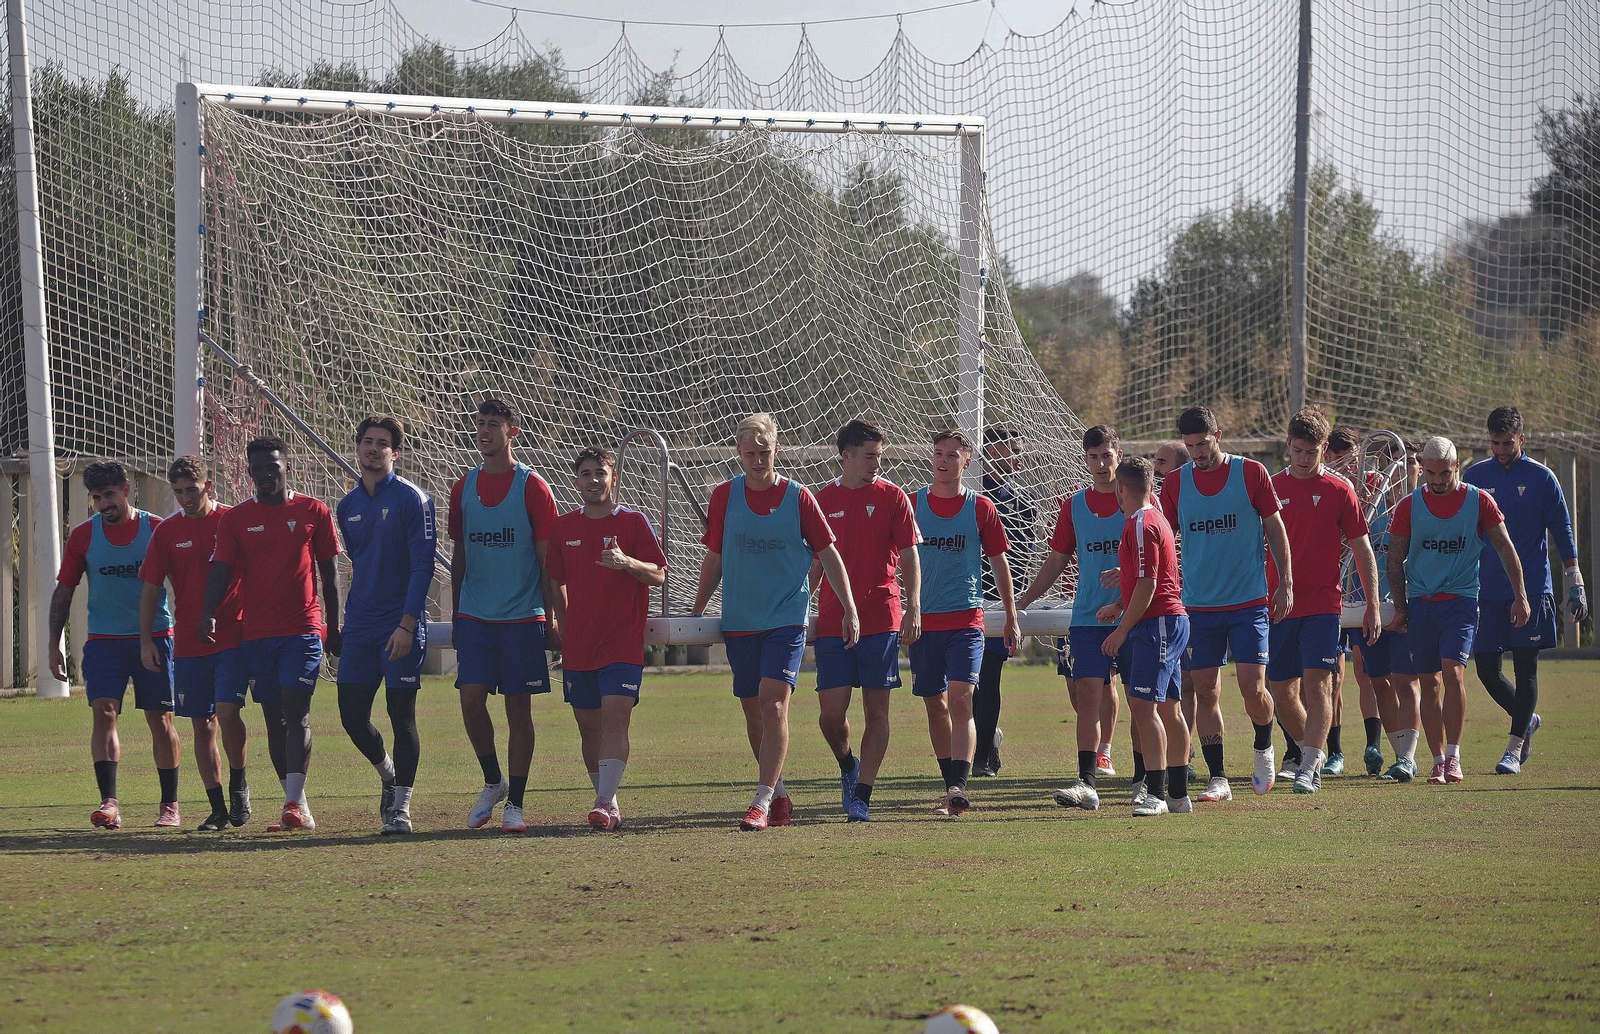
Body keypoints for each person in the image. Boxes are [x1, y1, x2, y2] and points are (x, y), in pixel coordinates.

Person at [692, 413, 858, 831]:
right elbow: (714, 557)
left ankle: (761, 801)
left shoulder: (799, 497)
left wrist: (849, 607)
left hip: (786, 619)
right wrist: (696, 610)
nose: (757, 461)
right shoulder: (723, 496)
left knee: (774, 705)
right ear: (738, 453)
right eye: (749, 454)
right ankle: (779, 791)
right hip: (740, 621)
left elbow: (830, 555)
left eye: (764, 453)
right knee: (754, 713)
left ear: (776, 449)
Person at [202, 437, 342, 832]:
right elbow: (221, 570)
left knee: (296, 711)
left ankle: (293, 802)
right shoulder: (236, 520)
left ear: (287, 466)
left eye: (272, 466)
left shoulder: (314, 510)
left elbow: (330, 576)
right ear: (249, 472)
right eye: (258, 468)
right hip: (256, 634)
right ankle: (296, 802)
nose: (265, 475)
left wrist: (334, 625)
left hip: (302, 629)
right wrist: (207, 614)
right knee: (273, 718)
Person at [1161, 406, 1292, 796]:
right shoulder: (1175, 484)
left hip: (1248, 602)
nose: (1198, 452)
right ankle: (1218, 777)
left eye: (1202, 443)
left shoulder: (1252, 473)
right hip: (1198, 606)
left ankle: (1264, 745)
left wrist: (1285, 581)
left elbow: (1275, 527)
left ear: (1218, 434)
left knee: (1253, 689)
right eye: (1190, 446)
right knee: (1205, 691)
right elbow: (1163, 537)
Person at [1387, 436, 1529, 783]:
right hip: (1422, 603)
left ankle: (1454, 756)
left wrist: (1520, 596)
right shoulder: (1409, 506)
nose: (1436, 481)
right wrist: (1402, 607)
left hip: (1462, 601)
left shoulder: (1479, 502)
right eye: (1430, 473)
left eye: (1444, 474)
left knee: (1453, 673)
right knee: (1429, 682)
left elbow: (1506, 548)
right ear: (1422, 469)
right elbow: (1394, 560)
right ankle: (1436, 760)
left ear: (1456, 468)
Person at [449, 398, 560, 834]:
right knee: (471, 699)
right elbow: (460, 555)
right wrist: (457, 612)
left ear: (512, 432)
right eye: (480, 424)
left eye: (493, 424)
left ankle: (516, 800)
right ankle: (492, 780)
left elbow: (548, 560)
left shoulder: (533, 487)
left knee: (519, 711)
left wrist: (552, 618)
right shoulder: (463, 486)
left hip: (522, 617)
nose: (484, 431)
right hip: (475, 616)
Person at [50, 461, 179, 830]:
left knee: (161, 719)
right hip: (104, 641)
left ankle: (169, 805)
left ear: (126, 489)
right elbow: (64, 592)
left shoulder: (156, 529)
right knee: (104, 712)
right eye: (96, 497)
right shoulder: (83, 536)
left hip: (155, 638)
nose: (103, 503)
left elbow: (185, 581)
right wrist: (52, 644)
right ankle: (109, 803)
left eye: (109, 494)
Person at [547, 446, 666, 831]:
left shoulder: (632, 523)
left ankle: (601, 801)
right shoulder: (563, 528)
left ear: (614, 479)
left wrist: (627, 562)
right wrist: (565, 627)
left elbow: (659, 574)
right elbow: (554, 581)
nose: (594, 480)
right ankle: (610, 804)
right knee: (588, 728)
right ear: (576, 480)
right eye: (586, 473)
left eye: (601, 473)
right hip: (579, 647)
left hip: (622, 645)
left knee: (616, 720)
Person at [1264, 408, 1381, 795]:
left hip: (1323, 604)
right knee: (1281, 690)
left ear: (1323, 449)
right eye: (1297, 450)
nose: (1303, 458)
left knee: (1319, 685)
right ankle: (1306, 751)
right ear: (1288, 447)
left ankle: (1309, 765)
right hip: (1278, 605)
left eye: (1311, 452)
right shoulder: (1270, 488)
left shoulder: (1339, 490)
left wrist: (1374, 605)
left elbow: (1363, 549)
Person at [1464, 406, 1587, 774]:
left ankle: (1513, 748)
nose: (1501, 449)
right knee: (1486, 669)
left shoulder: (1542, 478)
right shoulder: (1475, 476)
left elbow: (1562, 531)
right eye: (1494, 442)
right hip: (1486, 589)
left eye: (1507, 442)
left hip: (1531, 588)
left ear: (1522, 439)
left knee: (1525, 668)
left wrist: (1575, 580)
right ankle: (1527, 718)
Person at [810, 420, 921, 823]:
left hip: (882, 617)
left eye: (880, 454)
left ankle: (862, 795)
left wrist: (913, 606)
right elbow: (815, 561)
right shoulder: (821, 499)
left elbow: (909, 555)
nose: (877, 462)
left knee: (878, 711)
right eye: (870, 455)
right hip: (833, 620)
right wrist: (803, 602)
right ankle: (846, 765)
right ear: (847, 456)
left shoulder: (894, 498)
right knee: (831, 714)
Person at [335, 416, 437, 835]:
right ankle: (387, 773)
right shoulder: (346, 506)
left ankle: (401, 808)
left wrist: (407, 624)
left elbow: (422, 566)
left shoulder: (415, 500)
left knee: (402, 715)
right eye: (367, 442)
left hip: (400, 626)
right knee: (351, 715)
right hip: (360, 627)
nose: (373, 449)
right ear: (358, 448)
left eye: (382, 443)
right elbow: (360, 564)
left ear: (396, 452)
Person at [910, 430, 1020, 816]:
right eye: (938, 453)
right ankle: (949, 783)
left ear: (967, 461)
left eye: (952, 455)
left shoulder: (981, 508)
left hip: (966, 621)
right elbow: (894, 560)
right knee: (934, 704)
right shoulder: (911, 505)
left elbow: (999, 562)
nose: (943, 460)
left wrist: (1010, 615)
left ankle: (959, 786)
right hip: (923, 625)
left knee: (961, 699)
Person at [1017, 425, 1126, 812]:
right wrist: (1025, 599)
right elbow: (1057, 558)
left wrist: (1129, 586)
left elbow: (1159, 555)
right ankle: (1087, 780)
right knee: (1086, 694)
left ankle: (1149, 780)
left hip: (1135, 617)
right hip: (1086, 617)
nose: (1100, 463)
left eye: (1106, 455)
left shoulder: (1139, 501)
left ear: (1118, 454)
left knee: (1145, 702)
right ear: (1085, 460)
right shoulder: (1074, 505)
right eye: (1093, 457)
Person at [139, 456, 248, 830]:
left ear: (209, 486)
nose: (185, 497)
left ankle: (239, 783)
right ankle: (217, 808)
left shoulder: (231, 522)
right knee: (203, 726)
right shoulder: (167, 532)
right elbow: (151, 588)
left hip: (231, 637)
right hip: (187, 644)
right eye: (179, 491)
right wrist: (146, 641)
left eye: (192, 489)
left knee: (228, 712)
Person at [1099, 457, 1190, 817]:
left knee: (1143, 707)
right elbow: (1147, 577)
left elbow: (1151, 584)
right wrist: (1120, 604)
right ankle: (1178, 796)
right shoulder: (1156, 519)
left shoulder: (1140, 523)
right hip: (1165, 621)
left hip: (1158, 624)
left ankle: (1156, 792)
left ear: (1121, 489)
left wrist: (1121, 630)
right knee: (1168, 708)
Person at [974, 425, 1037, 776]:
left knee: (989, 676)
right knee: (963, 683)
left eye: (1019, 449)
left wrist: (1017, 609)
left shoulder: (1024, 502)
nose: (1018, 457)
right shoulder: (966, 493)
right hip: (958, 599)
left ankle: (982, 755)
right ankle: (986, 739)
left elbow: (1023, 560)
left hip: (998, 603)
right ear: (990, 452)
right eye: (1011, 449)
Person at [1151, 440, 1193, 784]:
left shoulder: (1173, 501)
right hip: (1177, 606)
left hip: (1177, 608)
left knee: (1189, 690)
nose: (1156, 468)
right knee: (1175, 695)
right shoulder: (1154, 508)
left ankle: (1172, 778)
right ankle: (1176, 772)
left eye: (1162, 462)